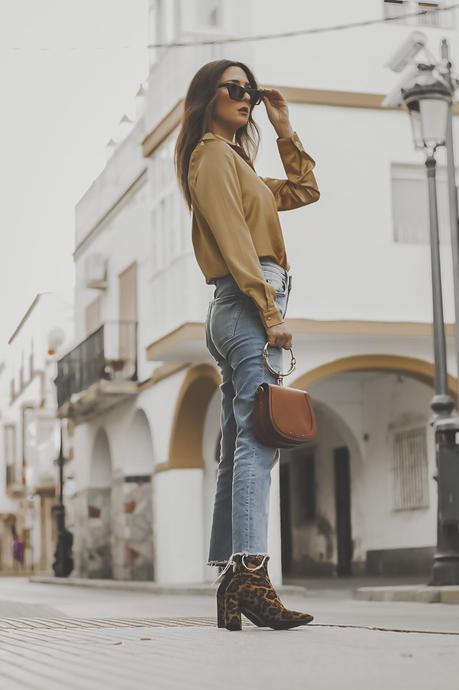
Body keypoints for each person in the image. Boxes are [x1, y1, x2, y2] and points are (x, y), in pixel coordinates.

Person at [174, 59, 320, 630]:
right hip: (245, 300)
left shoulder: (239, 164)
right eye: (235, 88)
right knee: (258, 441)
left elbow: (305, 189)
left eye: (251, 92)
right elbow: (236, 240)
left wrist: (284, 129)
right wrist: (269, 308)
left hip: (241, 304)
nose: (246, 97)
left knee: (241, 444)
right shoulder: (209, 155)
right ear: (206, 97)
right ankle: (251, 575)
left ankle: (234, 580)